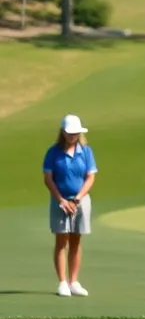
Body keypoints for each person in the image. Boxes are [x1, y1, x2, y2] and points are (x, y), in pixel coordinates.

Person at [41, 114, 97, 298]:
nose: (73, 136)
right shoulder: (53, 152)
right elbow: (48, 179)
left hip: (81, 201)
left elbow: (90, 177)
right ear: (63, 133)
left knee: (76, 240)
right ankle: (62, 282)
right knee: (61, 241)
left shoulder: (86, 151)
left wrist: (77, 199)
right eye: (69, 133)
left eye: (75, 133)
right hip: (60, 202)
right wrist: (62, 200)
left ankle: (74, 281)